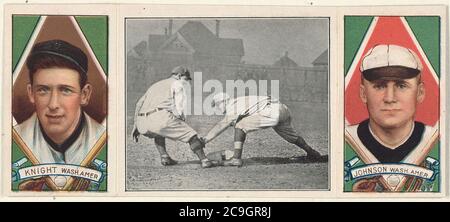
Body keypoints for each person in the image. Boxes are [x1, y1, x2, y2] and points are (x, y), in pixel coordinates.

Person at [13, 39, 106, 190]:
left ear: (84, 94)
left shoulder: (107, 140)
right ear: (31, 93)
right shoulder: (10, 140)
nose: (53, 104)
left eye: (65, 90)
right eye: (43, 90)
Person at [346, 44, 435, 191]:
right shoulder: (342, 141)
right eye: (379, 86)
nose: (389, 98)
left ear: (420, 92)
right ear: (363, 94)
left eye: (401, 85)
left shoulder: (439, 140)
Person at [202, 93, 322, 167]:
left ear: (223, 101)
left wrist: (205, 140)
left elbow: (222, 124)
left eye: (217, 105)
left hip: (271, 111)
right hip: (282, 108)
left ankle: (236, 159)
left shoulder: (232, 105)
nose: (217, 108)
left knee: (240, 125)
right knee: (291, 136)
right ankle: (313, 153)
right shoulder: (240, 101)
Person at [131, 66, 215, 168]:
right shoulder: (178, 84)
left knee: (159, 132)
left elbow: (139, 104)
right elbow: (179, 107)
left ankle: (165, 157)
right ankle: (205, 160)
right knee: (191, 135)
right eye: (186, 79)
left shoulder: (156, 85)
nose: (187, 82)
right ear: (179, 76)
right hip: (159, 117)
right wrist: (182, 121)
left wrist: (136, 124)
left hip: (142, 123)